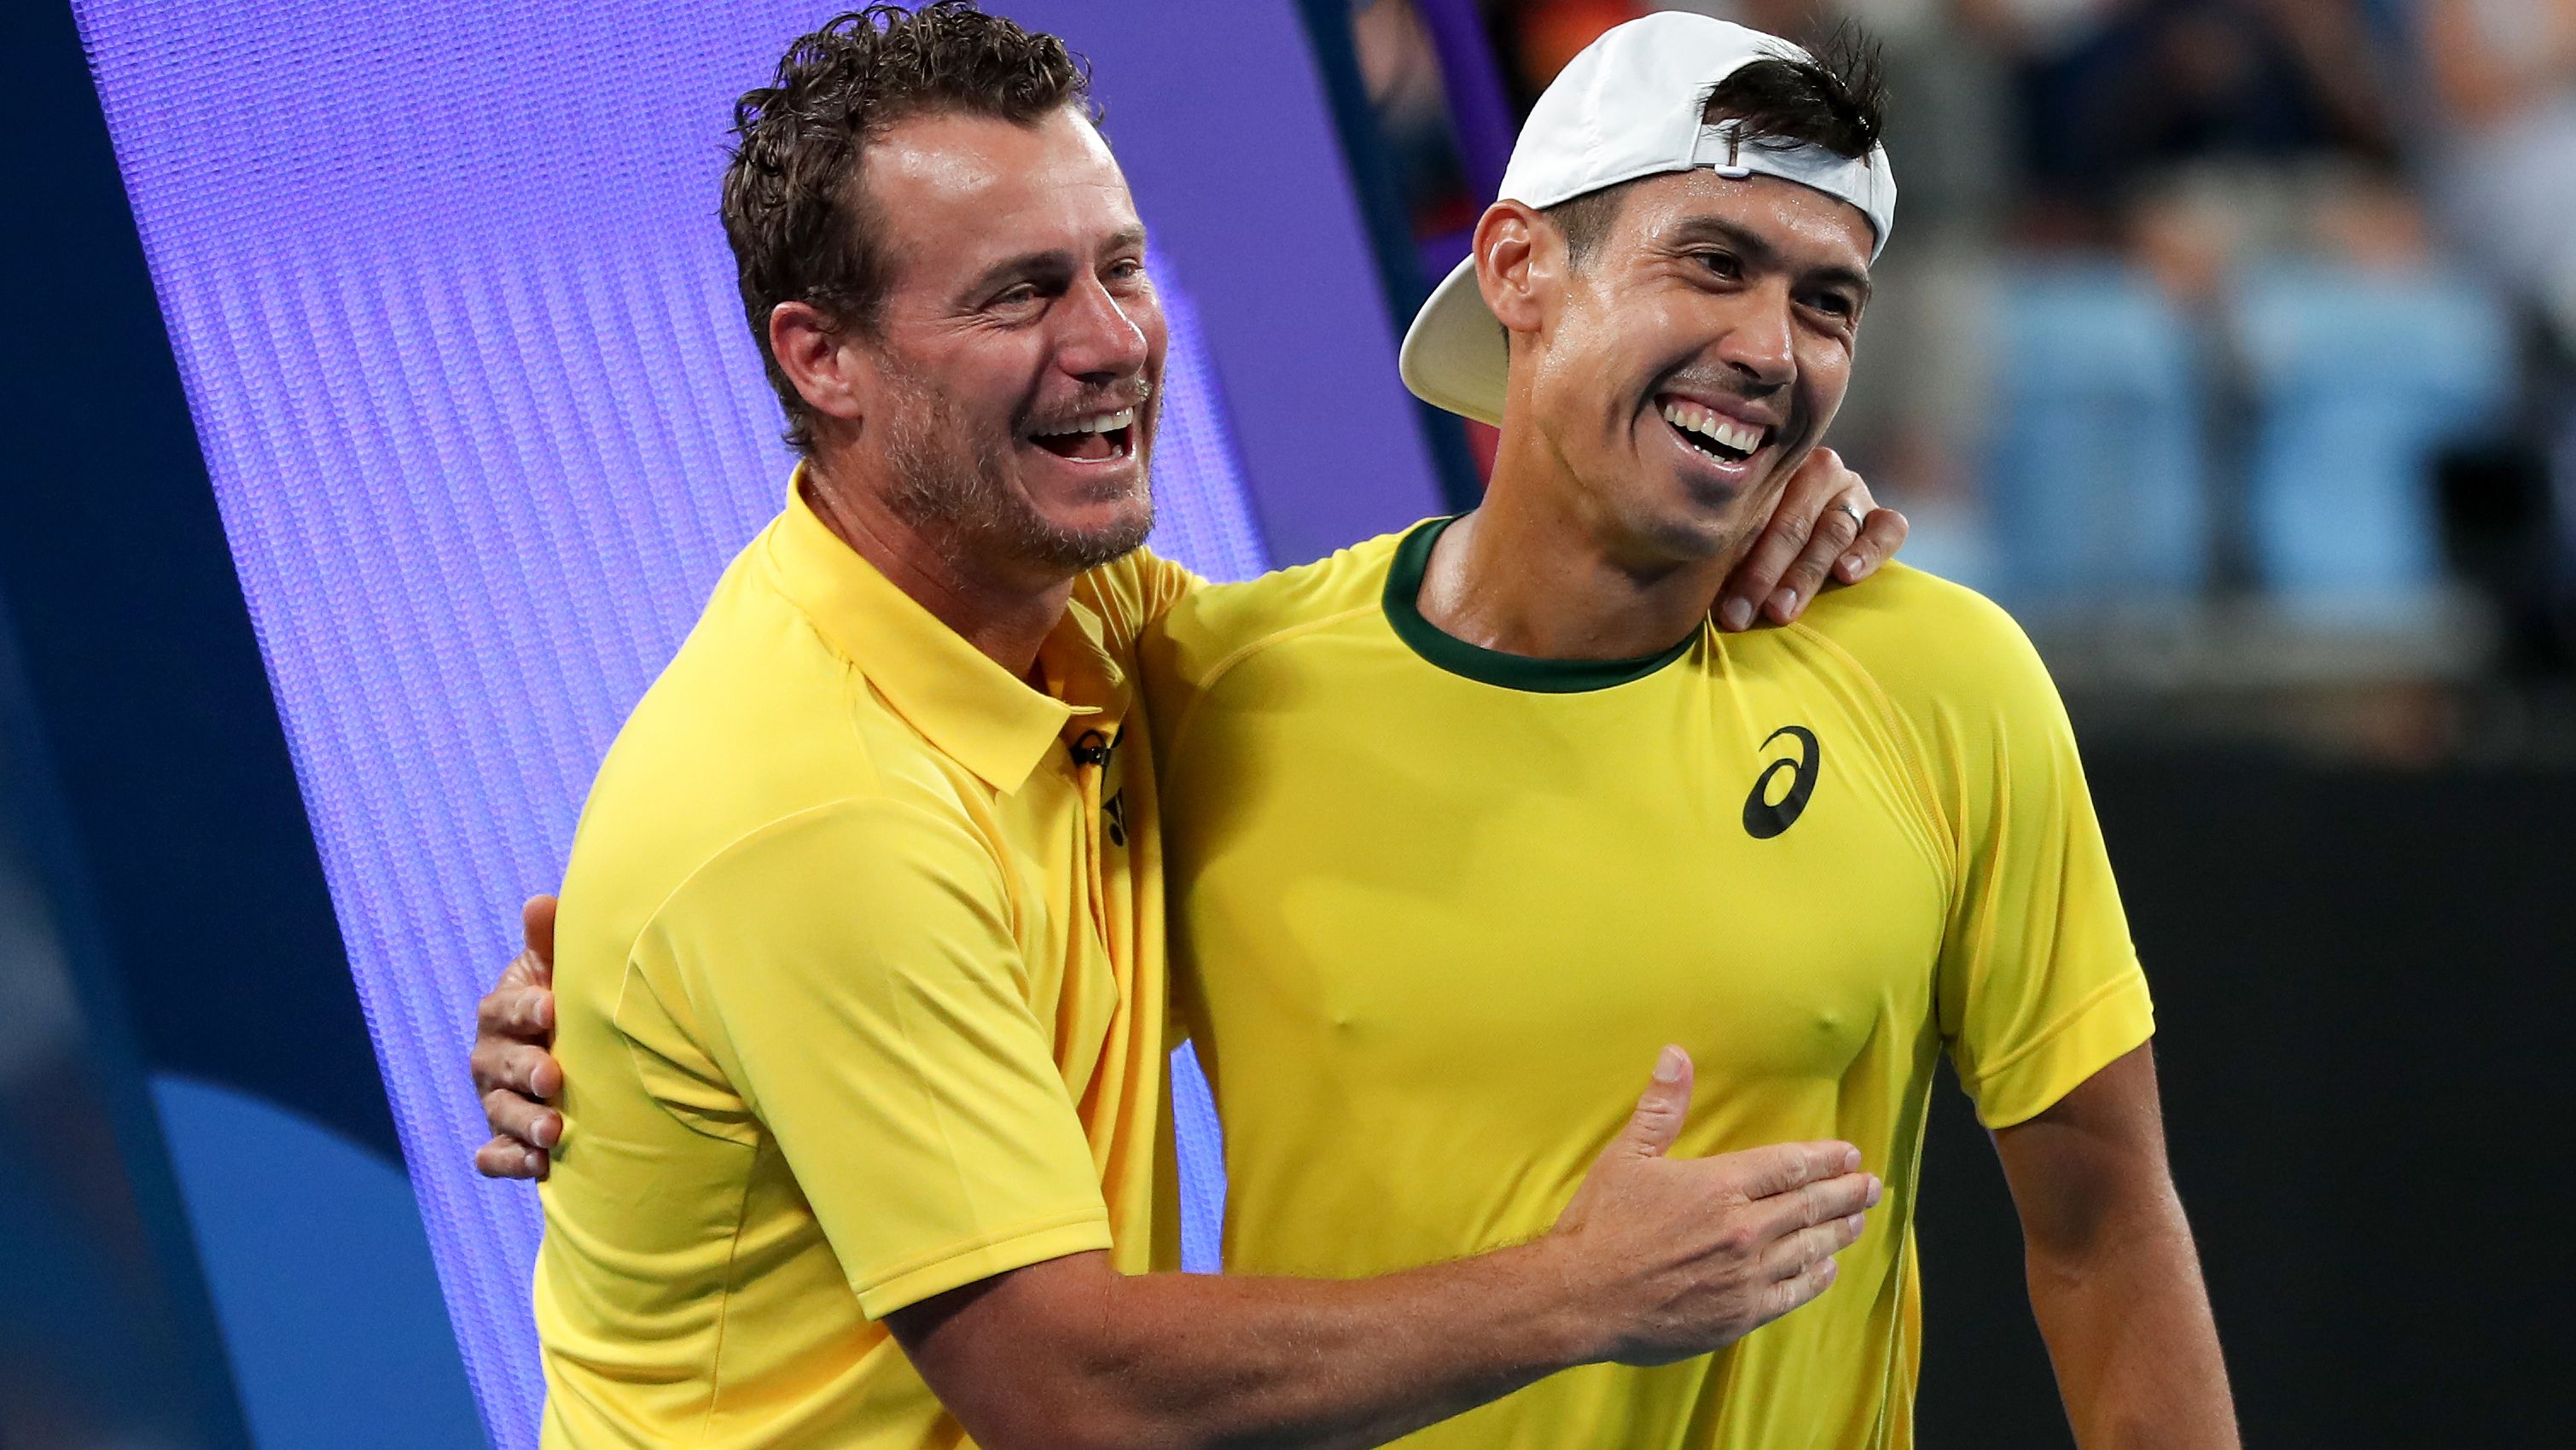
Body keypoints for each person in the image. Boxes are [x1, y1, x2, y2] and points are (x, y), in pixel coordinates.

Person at [483, 7, 1917, 1448]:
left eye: (1118, 266)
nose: (1109, 340)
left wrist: (1718, 480)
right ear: (823, 359)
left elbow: (1416, 637)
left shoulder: (1087, 628)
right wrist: (1576, 1292)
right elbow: (1067, 1392)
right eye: (1018, 294)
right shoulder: (822, 813)